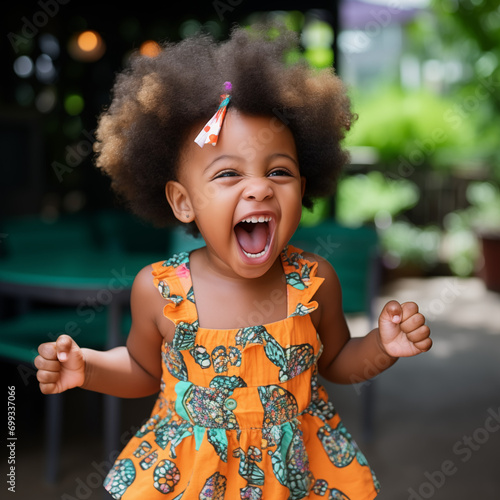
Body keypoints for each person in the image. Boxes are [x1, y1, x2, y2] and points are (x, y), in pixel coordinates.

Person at [35, 24, 432, 500]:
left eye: (278, 171)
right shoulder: (159, 290)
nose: (260, 187)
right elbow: (144, 370)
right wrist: (89, 368)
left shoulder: (313, 281)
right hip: (189, 474)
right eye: (227, 173)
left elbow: (338, 362)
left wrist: (383, 347)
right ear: (184, 203)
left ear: (302, 190)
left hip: (295, 474)